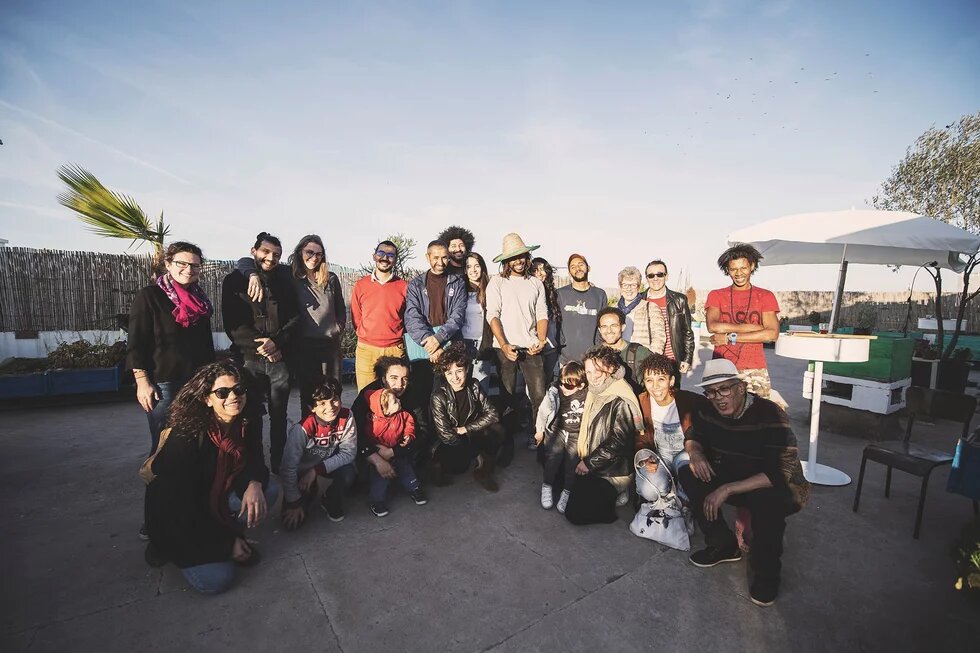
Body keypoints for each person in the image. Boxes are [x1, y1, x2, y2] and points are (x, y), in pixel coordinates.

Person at [678, 358, 809, 607]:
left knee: (766, 504)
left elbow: (779, 471)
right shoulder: (706, 409)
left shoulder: (770, 413)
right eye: (711, 391)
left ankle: (766, 574)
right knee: (688, 473)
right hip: (732, 472)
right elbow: (694, 434)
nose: (717, 397)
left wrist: (726, 489)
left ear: (740, 388)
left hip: (774, 483)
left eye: (724, 389)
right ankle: (723, 545)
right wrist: (695, 453)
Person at [142, 360, 279, 594]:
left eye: (238, 389)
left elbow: (256, 456)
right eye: (222, 392)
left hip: (213, 496)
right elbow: (179, 507)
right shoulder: (186, 437)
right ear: (207, 398)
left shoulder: (246, 419)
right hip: (177, 515)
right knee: (217, 579)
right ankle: (169, 549)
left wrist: (254, 483)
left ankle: (227, 534)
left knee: (268, 490)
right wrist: (226, 543)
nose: (233, 397)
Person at [128, 241, 216, 540]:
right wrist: (142, 380)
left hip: (197, 384)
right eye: (181, 263)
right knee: (163, 450)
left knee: (200, 445)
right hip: (164, 384)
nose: (187, 269)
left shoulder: (201, 301)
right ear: (168, 263)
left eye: (194, 265)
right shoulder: (151, 297)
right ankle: (154, 519)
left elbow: (205, 346)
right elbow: (136, 342)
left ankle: (192, 506)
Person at [238, 234, 346, 416]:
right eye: (309, 252)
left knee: (334, 391)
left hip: (330, 346)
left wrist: (336, 328)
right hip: (303, 346)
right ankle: (310, 437)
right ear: (299, 252)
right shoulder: (289, 275)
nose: (314, 257)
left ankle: (333, 435)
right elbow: (244, 261)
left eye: (319, 254)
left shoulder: (331, 279)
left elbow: (341, 310)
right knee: (310, 395)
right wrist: (253, 275)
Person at [222, 232, 300, 473]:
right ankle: (250, 466)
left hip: (279, 358)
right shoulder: (234, 281)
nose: (271, 258)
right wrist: (263, 347)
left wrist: (276, 343)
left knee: (279, 416)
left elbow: (295, 318)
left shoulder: (286, 278)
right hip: (248, 359)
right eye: (265, 252)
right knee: (249, 415)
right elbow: (232, 325)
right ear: (253, 250)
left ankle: (279, 463)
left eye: (276, 254)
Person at [486, 233, 549, 459]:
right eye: (513, 258)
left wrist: (541, 340)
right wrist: (503, 345)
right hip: (506, 347)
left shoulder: (535, 283)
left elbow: (542, 314)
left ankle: (538, 435)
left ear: (527, 256)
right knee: (507, 395)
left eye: (521, 256)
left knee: (539, 394)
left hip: (531, 346)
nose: (519, 261)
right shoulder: (497, 283)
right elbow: (492, 315)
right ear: (506, 261)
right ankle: (507, 441)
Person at [564, 346, 641, 525]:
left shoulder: (621, 398)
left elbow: (619, 441)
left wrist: (589, 462)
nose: (592, 377)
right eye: (588, 372)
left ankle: (618, 492)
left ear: (611, 369)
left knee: (574, 514)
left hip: (612, 470)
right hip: (595, 463)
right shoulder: (594, 391)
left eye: (597, 371)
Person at [704, 243, 781, 403]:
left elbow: (772, 334)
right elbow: (713, 326)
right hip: (721, 368)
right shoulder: (717, 295)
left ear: (752, 266)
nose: (739, 273)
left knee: (757, 418)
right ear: (727, 270)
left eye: (743, 268)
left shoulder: (765, 296)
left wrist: (729, 338)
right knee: (720, 419)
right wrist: (752, 329)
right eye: (733, 269)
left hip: (754, 369)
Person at [279, 378, 357, 531]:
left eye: (334, 400)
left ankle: (329, 498)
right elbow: (287, 468)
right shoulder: (301, 429)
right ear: (311, 407)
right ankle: (308, 491)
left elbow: (349, 452)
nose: (330, 407)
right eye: (322, 403)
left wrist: (316, 470)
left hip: (323, 462)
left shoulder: (347, 416)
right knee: (293, 524)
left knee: (349, 473)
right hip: (301, 470)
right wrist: (294, 502)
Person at [353, 357, 430, 505]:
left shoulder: (413, 395)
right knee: (368, 478)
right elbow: (354, 431)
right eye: (394, 378)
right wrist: (376, 458)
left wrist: (394, 452)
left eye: (404, 379)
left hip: (400, 447)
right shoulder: (368, 396)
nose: (400, 384)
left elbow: (423, 431)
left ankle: (412, 484)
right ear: (383, 378)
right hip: (373, 448)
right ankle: (373, 494)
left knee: (409, 467)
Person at [429, 342, 505, 491]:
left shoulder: (474, 385)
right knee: (458, 468)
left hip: (468, 431)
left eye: (459, 371)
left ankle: (483, 472)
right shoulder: (439, 396)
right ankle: (437, 464)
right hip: (450, 439)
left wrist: (466, 429)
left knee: (498, 431)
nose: (455, 377)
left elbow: (493, 414)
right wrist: (475, 452)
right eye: (449, 373)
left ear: (467, 369)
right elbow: (445, 435)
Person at [633, 354, 702, 502]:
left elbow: (705, 429)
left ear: (671, 381)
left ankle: (684, 497)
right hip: (659, 458)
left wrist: (699, 453)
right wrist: (645, 456)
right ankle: (668, 491)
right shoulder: (642, 402)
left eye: (661, 379)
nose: (655, 386)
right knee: (649, 491)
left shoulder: (689, 400)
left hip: (685, 457)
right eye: (649, 380)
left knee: (691, 482)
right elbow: (640, 436)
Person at [403, 240, 467, 398]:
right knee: (422, 395)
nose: (441, 262)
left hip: (450, 343)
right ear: (428, 257)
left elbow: (457, 316)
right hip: (424, 346)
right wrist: (429, 342)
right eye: (436, 257)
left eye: (445, 258)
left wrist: (439, 339)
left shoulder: (457, 283)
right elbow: (412, 316)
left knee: (450, 395)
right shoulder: (416, 284)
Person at [363, 378, 427, 517]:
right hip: (381, 457)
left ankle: (414, 488)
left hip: (398, 452)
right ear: (383, 409)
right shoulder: (373, 424)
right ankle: (376, 500)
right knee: (379, 478)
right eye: (395, 402)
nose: (399, 401)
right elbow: (369, 439)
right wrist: (377, 449)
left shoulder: (403, 414)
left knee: (407, 470)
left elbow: (409, 423)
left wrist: (409, 435)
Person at [350, 240, 409, 390]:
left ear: (395, 259)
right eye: (381, 253)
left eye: (390, 255)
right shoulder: (361, 285)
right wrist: (366, 335)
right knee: (365, 395)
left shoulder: (404, 286)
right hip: (366, 349)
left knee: (395, 394)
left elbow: (407, 318)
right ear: (374, 256)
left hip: (394, 348)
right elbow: (356, 316)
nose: (385, 258)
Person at [534, 362, 588, 514]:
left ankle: (567, 491)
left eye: (569, 386)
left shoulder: (588, 394)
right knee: (552, 460)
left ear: (581, 385)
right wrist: (539, 430)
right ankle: (547, 485)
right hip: (556, 431)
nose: (563, 387)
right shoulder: (555, 391)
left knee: (572, 465)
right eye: (561, 382)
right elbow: (543, 411)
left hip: (576, 434)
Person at [638, 260, 695, 381]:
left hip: (672, 360)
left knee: (673, 397)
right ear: (646, 278)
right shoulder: (639, 300)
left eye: (660, 274)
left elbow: (687, 332)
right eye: (651, 275)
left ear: (666, 276)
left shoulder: (679, 300)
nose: (655, 278)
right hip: (647, 358)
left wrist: (687, 358)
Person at [557, 253, 607, 365]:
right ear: (569, 272)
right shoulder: (561, 294)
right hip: (566, 359)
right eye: (573, 267)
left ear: (588, 268)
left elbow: (603, 325)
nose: (577, 269)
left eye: (581, 265)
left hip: (593, 359)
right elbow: (556, 324)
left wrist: (598, 350)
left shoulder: (599, 295)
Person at [461, 252, 498, 396]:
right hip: (464, 344)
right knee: (464, 389)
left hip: (483, 344)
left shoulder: (490, 290)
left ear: (482, 268)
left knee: (481, 391)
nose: (473, 270)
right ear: (465, 270)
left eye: (477, 266)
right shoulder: (460, 290)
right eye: (469, 266)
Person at [596, 307, 653, 394]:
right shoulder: (593, 353)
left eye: (614, 326)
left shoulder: (640, 353)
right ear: (600, 330)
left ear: (623, 327)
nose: (609, 331)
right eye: (604, 326)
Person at [532, 256, 562, 382]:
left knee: (547, 383)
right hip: (533, 349)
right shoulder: (526, 293)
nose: (539, 273)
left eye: (542, 269)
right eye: (535, 269)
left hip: (551, 349)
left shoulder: (555, 294)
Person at [616, 266, 645, 342]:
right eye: (625, 285)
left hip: (643, 352)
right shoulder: (614, 309)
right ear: (620, 287)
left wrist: (649, 354)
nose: (629, 289)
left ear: (638, 287)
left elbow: (658, 338)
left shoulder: (650, 307)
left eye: (633, 285)